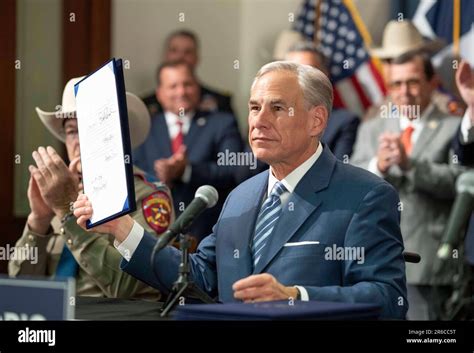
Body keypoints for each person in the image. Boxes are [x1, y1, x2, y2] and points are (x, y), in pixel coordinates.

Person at [74, 61, 407, 319]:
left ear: (316, 121)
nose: (258, 120)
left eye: (277, 108)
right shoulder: (240, 197)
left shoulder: (365, 195)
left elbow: (388, 298)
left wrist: (295, 297)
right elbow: (198, 278)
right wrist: (122, 228)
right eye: (253, 107)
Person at [9, 77, 174, 299]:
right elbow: (20, 287)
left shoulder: (149, 194)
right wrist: (38, 221)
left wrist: (66, 212)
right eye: (72, 131)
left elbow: (127, 287)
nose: (80, 141)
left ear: (116, 135)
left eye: (91, 128)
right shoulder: (59, 189)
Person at [351, 50, 465, 319]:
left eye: (412, 82)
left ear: (432, 82)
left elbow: (461, 183)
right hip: (374, 262)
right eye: (396, 84)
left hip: (429, 264)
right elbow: (350, 183)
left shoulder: (454, 127)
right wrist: (377, 166)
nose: (404, 92)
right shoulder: (372, 128)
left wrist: (410, 165)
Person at [133, 60, 242, 242]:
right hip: (153, 235)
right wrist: (160, 177)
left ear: (198, 87)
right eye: (173, 86)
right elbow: (132, 175)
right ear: (159, 94)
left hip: (209, 235)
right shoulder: (143, 128)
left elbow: (233, 170)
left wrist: (188, 170)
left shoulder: (222, 123)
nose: (181, 92)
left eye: (187, 84)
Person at [366, 20, 464, 121]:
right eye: (387, 60)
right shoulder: (376, 113)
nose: (392, 67)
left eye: (404, 59)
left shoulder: (446, 108)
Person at [285, 42, 360, 160]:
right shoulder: (269, 117)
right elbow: (249, 171)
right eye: (293, 71)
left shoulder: (344, 122)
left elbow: (338, 173)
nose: (300, 78)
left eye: (308, 71)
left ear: (324, 76)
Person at [143, 29, 233, 116]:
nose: (180, 56)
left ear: (197, 58)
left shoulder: (220, 103)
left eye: (188, 52)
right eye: (174, 50)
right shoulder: (146, 106)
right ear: (165, 55)